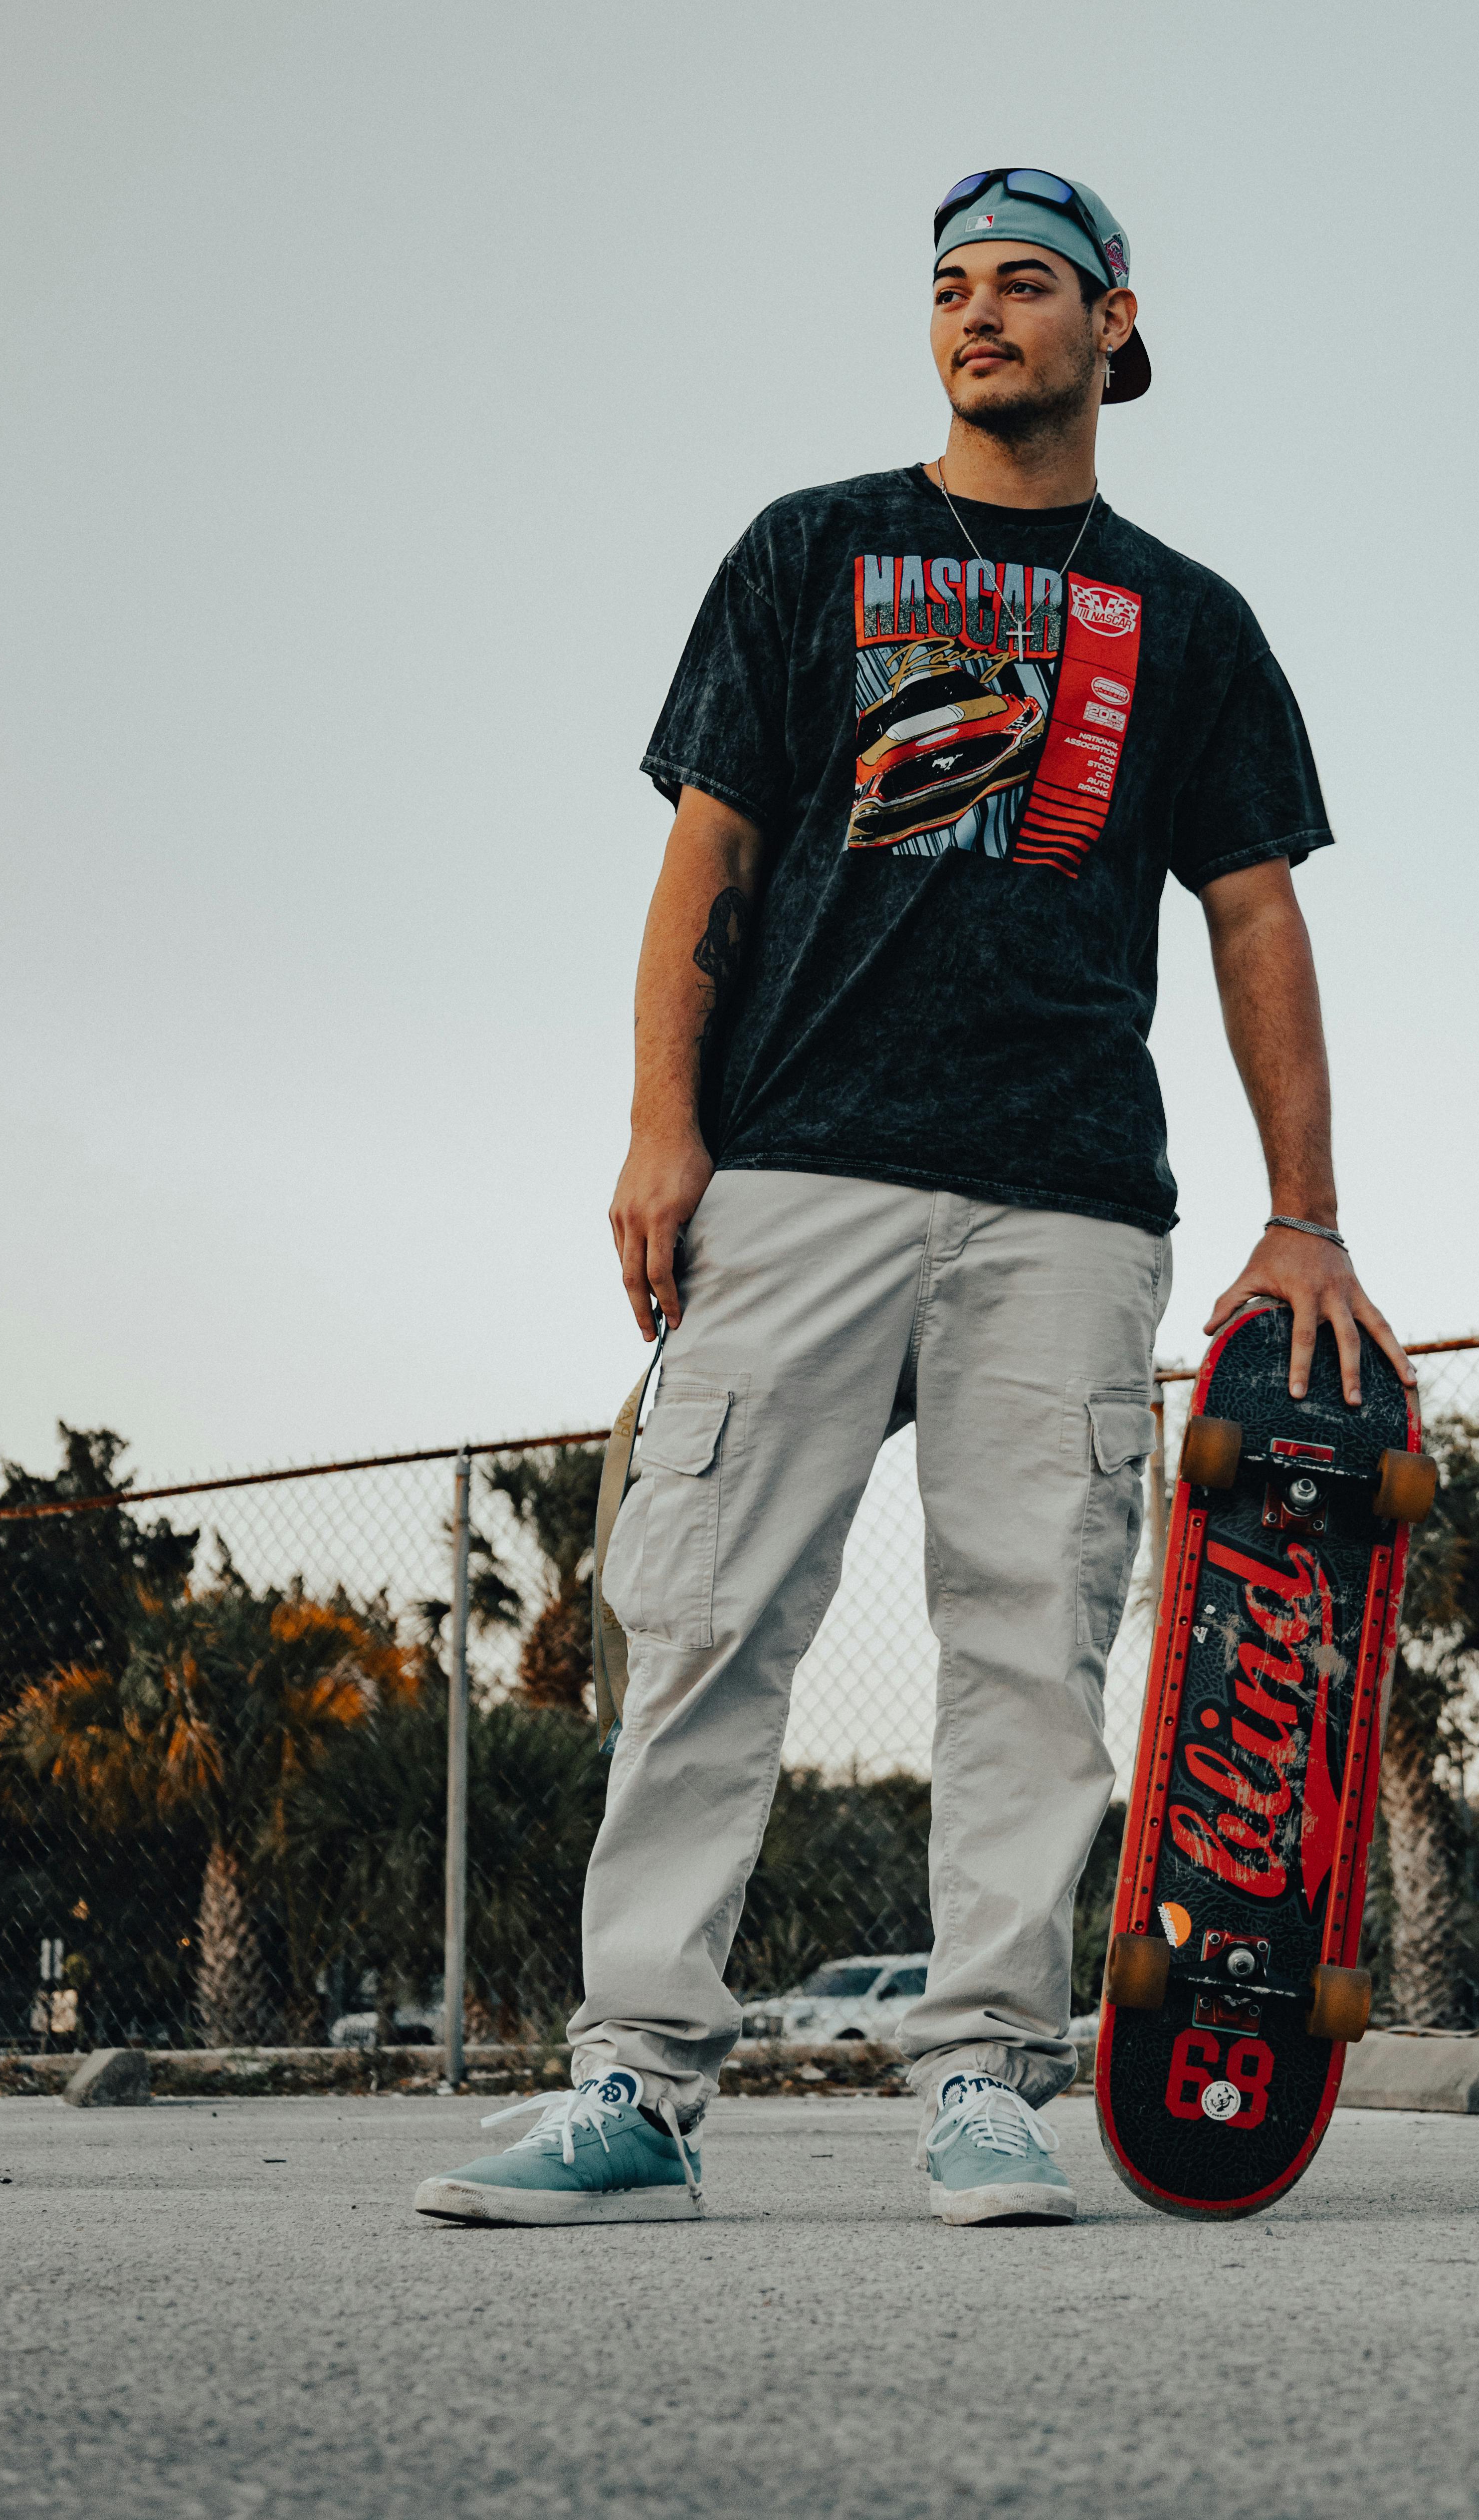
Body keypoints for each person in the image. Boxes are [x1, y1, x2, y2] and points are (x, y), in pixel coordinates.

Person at [414, 167, 1410, 2231]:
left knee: (1028, 1645)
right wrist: (658, 1125)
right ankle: (636, 2091)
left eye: (1025, 286)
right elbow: (708, 861)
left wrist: (1303, 1214)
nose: (979, 317)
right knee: (698, 1628)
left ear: (1113, 326)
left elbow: (1251, 918)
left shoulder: (1192, 622)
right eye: (949, 288)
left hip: (1060, 1201)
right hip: (793, 1169)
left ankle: (983, 2080)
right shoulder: (810, 552)